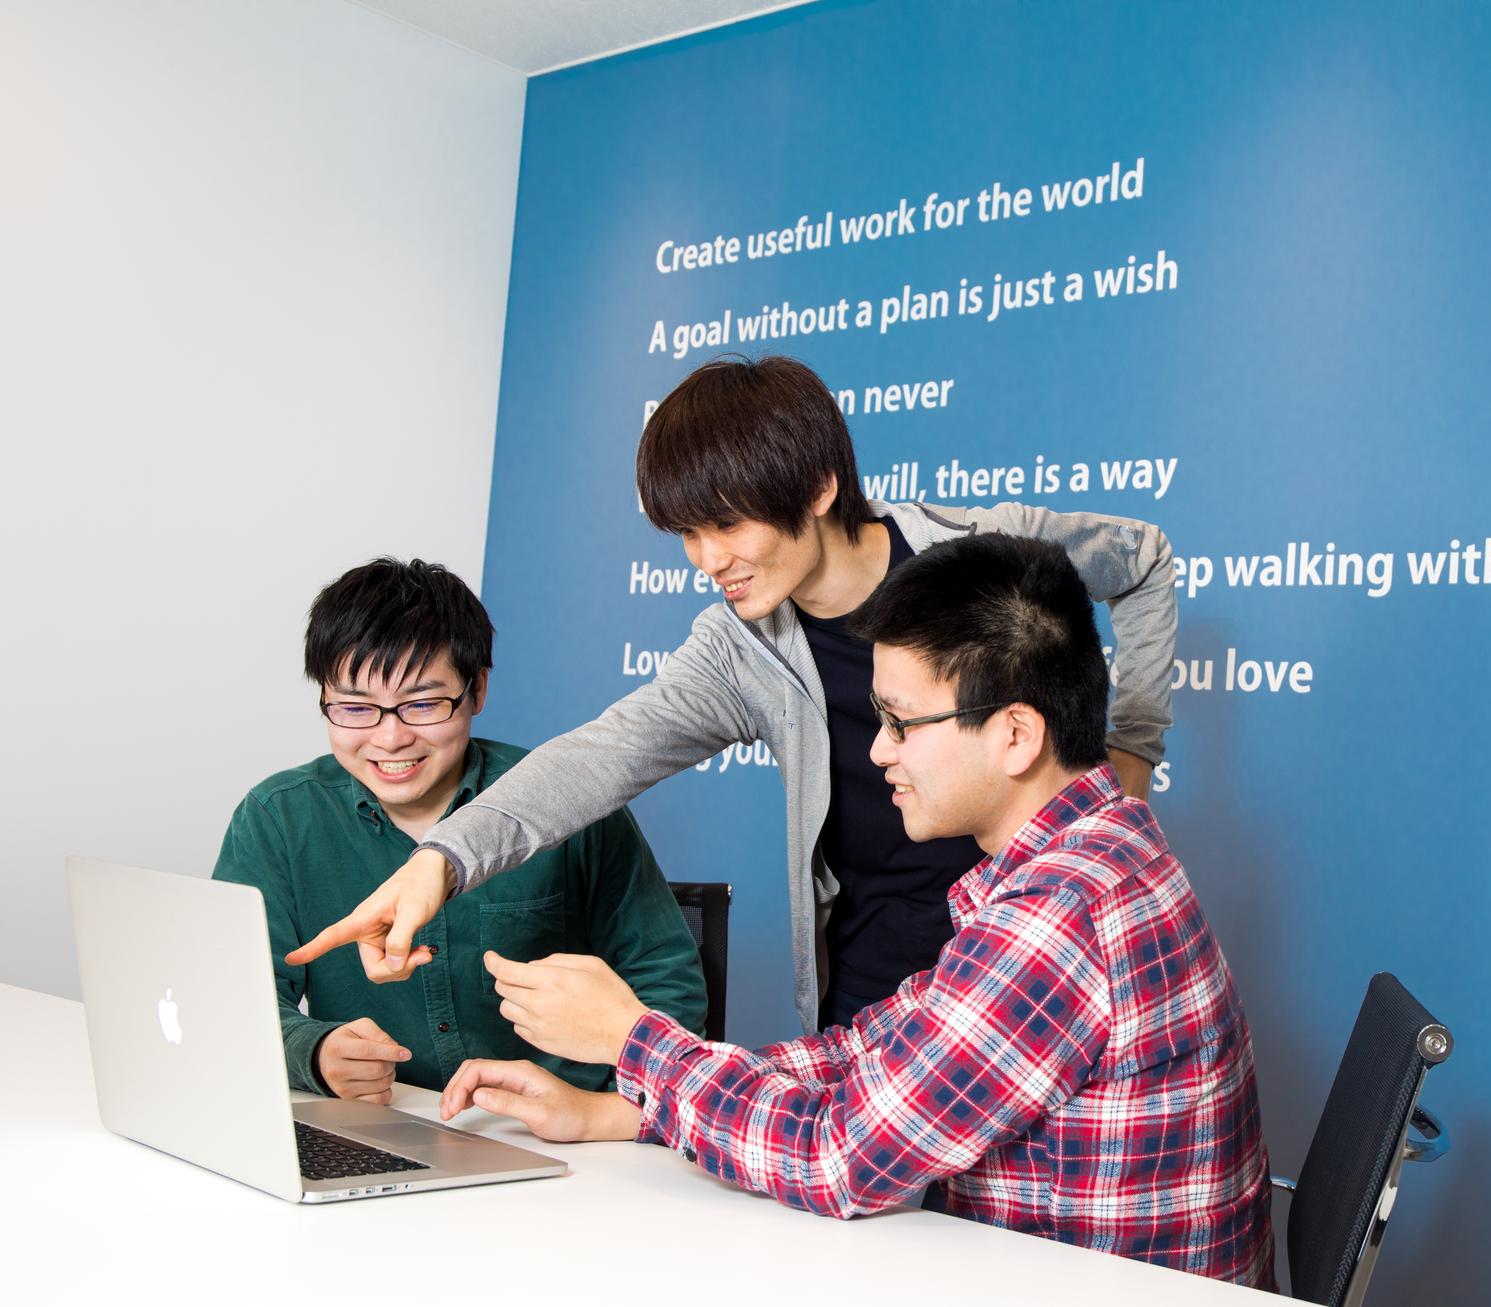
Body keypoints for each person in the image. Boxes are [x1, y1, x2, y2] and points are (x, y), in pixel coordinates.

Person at [434, 534, 1274, 1287]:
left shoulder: (1058, 915)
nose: (877, 752)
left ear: (1016, 735)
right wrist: (622, 1107)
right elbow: (871, 1054)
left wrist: (631, 1040)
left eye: (901, 724)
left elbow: (838, 1156)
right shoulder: (1092, 852)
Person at [288, 355, 1178, 1034]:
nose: (708, 560)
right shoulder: (739, 649)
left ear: (820, 487)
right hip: (872, 994)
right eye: (687, 533)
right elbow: (599, 757)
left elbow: (1143, 563)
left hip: (1027, 957)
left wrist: (1131, 750)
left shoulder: (981, 555)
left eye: (726, 523)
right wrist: (440, 860)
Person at [215, 557, 705, 1104]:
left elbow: (667, 982)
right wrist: (314, 1052)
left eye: (423, 704)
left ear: (477, 690)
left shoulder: (567, 801)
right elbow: (233, 1000)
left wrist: (605, 1109)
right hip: (382, 1121)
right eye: (354, 708)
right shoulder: (277, 818)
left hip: (558, 1131)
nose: (390, 738)